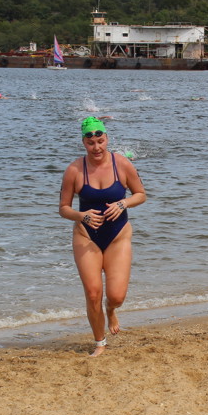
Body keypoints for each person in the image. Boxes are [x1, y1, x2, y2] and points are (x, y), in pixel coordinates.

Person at [59, 117, 145, 357]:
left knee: (116, 296)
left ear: (107, 139)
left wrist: (123, 203)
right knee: (93, 293)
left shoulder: (122, 164)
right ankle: (100, 342)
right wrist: (81, 216)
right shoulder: (74, 170)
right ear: (83, 143)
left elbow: (140, 194)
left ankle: (111, 310)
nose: (96, 147)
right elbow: (63, 208)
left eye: (100, 141)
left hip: (118, 235)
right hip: (86, 236)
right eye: (90, 143)